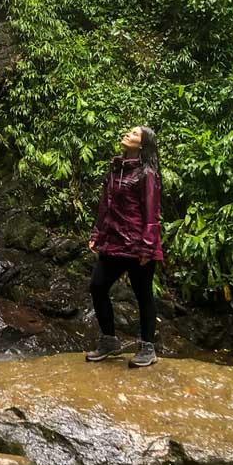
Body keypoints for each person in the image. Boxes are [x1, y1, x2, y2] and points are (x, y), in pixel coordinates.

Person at [85, 125, 163, 367]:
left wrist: (148, 247)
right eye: (128, 132)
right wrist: (98, 233)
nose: (127, 134)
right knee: (97, 287)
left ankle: (147, 348)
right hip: (114, 240)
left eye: (134, 134)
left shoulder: (147, 173)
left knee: (143, 295)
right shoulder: (116, 168)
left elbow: (151, 213)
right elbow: (105, 205)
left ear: (142, 144)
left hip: (138, 244)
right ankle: (109, 340)